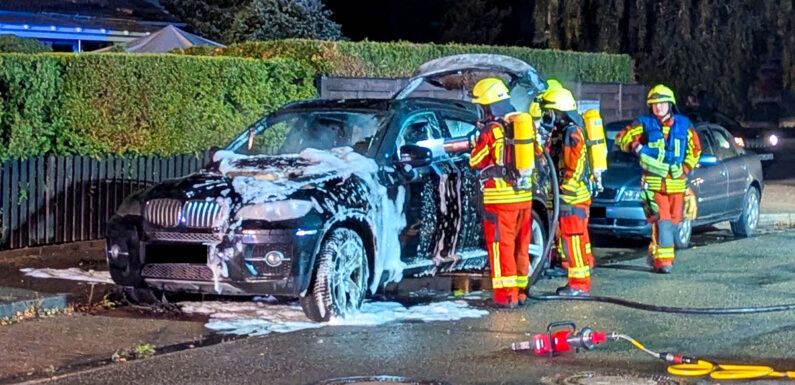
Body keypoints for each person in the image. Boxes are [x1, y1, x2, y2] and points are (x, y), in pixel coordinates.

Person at [615, 84, 702, 273]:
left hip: (677, 184)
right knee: (662, 220)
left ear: (670, 104)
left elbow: (695, 149)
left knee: (673, 222)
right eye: (654, 104)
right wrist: (635, 147)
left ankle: (657, 253)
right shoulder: (644, 123)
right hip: (654, 184)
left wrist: (686, 167)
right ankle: (664, 262)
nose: (658, 107)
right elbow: (621, 138)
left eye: (662, 103)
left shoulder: (684, 124)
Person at [469, 77, 539, 308]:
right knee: (521, 245)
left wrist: (474, 142)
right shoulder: (522, 125)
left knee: (501, 247)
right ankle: (521, 293)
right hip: (524, 198)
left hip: (500, 200)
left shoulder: (492, 130)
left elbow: (476, 161)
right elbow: (537, 152)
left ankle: (505, 296)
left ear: (488, 107)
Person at [537, 86, 593, 296]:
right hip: (573, 196)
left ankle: (579, 285)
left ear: (558, 111)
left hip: (573, 197)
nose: (546, 115)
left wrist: (566, 190)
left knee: (573, 241)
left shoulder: (571, 133)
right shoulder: (566, 132)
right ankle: (579, 281)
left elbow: (576, 163)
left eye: (549, 111)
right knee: (576, 240)